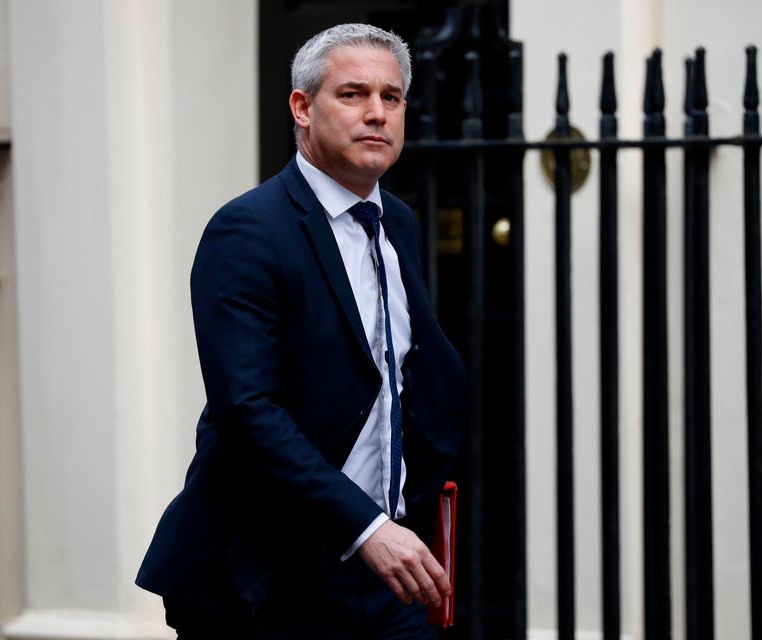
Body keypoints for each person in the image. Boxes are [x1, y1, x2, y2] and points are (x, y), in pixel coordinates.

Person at [136, 23, 466, 639]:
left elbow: (403, 376)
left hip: (386, 573)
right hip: (270, 576)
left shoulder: (397, 222)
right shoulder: (248, 231)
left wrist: (408, 512)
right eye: (352, 94)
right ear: (302, 107)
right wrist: (366, 527)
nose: (376, 113)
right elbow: (247, 409)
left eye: (391, 98)